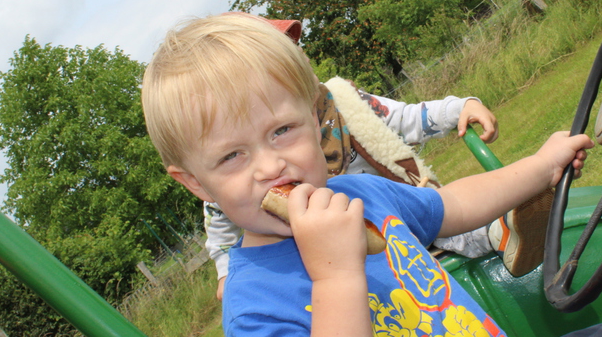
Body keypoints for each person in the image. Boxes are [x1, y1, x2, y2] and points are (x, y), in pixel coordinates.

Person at [141, 13, 602, 337]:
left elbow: (452, 204)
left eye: (282, 131)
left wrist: (539, 168)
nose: (271, 166)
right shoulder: (254, 305)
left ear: (315, 121)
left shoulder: (364, 193)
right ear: (195, 183)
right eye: (232, 156)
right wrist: (336, 277)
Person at [203, 17, 509, 300]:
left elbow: (407, 118)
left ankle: (503, 232)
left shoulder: (343, 101)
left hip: (398, 216)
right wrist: (225, 271)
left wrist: (459, 108)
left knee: (446, 218)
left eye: (295, 50)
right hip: (327, 258)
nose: (298, 59)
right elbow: (218, 214)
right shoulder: (248, 165)